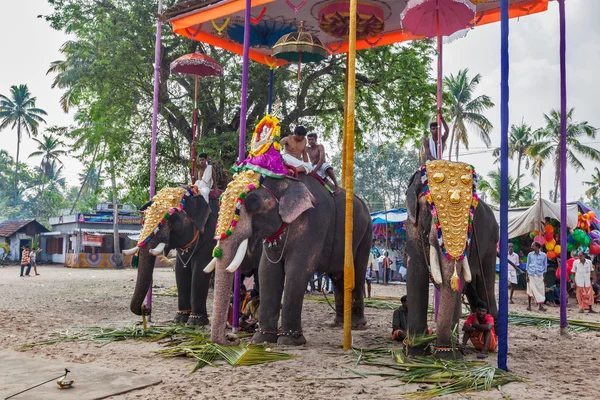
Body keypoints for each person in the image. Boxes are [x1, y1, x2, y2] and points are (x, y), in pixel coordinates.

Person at [526, 242, 547, 312]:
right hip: (531, 274)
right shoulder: (530, 254)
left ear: (538, 247)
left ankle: (540, 306)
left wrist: (544, 278)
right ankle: (529, 305)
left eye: (533, 246)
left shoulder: (544, 255)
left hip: (539, 274)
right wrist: (527, 276)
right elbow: (527, 265)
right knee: (530, 289)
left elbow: (545, 267)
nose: (532, 247)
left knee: (540, 290)